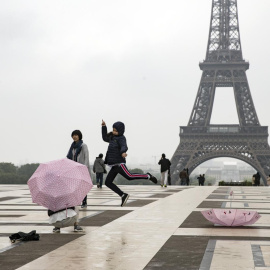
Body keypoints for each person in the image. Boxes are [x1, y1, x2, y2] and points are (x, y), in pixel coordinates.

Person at [101, 120, 157, 206]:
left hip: (119, 163)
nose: (114, 132)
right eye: (113, 130)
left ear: (120, 131)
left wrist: (123, 152)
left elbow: (124, 146)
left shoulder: (121, 138)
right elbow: (105, 138)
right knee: (108, 182)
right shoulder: (111, 137)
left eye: (116, 130)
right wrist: (104, 127)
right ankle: (123, 195)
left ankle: (148, 176)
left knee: (129, 176)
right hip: (113, 165)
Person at [67, 130, 91, 208]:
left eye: (76, 135)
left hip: (82, 168)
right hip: (74, 169)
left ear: (79, 136)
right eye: (73, 135)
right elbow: (69, 157)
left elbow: (86, 157)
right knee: (74, 186)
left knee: (82, 186)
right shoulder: (72, 146)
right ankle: (75, 201)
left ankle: (84, 202)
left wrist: (85, 167)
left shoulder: (83, 145)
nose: (74, 136)